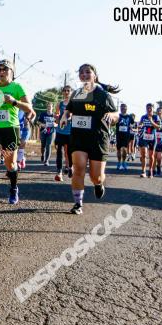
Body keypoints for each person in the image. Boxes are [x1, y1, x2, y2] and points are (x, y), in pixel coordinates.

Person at [60, 64, 119, 214]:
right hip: (78, 137)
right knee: (78, 168)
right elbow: (69, 110)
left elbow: (116, 115)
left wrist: (111, 116)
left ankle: (98, 184)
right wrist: (64, 117)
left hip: (98, 138)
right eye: (81, 73)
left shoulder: (103, 94)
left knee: (96, 176)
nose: (84, 75)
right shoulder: (76, 94)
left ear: (94, 76)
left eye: (88, 72)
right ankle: (78, 204)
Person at [0, 60, 33, 206]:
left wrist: (14, 101)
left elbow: (29, 108)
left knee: (10, 165)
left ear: (12, 72)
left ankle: (13, 188)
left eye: (5, 69)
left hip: (11, 129)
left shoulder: (17, 87)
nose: (1, 72)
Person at [53, 85, 73, 182]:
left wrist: (68, 117)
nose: (66, 92)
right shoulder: (59, 104)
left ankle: (69, 168)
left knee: (68, 152)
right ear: (62, 92)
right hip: (60, 131)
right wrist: (56, 117)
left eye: (68, 91)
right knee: (59, 152)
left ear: (71, 92)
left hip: (70, 132)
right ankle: (59, 172)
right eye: (64, 90)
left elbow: (71, 116)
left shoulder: (73, 104)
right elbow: (56, 115)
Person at [136, 104, 160, 178]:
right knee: (144, 154)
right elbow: (140, 125)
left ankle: (150, 171)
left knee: (151, 155)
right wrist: (139, 126)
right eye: (148, 108)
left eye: (150, 108)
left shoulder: (156, 117)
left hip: (153, 138)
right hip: (144, 137)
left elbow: (158, 127)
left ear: (153, 109)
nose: (149, 109)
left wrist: (151, 121)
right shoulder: (143, 117)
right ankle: (143, 171)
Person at [35, 102, 56, 166]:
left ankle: (46, 160)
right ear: (46, 107)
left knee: (48, 145)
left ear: (52, 107)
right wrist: (42, 124)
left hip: (51, 132)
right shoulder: (43, 114)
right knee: (43, 145)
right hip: (43, 132)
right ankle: (42, 155)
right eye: (48, 106)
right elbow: (38, 122)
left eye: (50, 106)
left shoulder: (54, 115)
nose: (49, 108)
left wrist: (55, 124)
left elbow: (58, 123)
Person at [114, 103, 134, 171]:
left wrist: (133, 128)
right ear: (120, 108)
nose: (123, 108)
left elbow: (133, 123)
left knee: (125, 149)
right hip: (119, 135)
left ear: (126, 108)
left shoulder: (129, 116)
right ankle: (119, 162)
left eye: (124, 107)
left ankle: (124, 162)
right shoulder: (117, 116)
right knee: (119, 149)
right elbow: (113, 122)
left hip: (126, 135)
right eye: (122, 107)